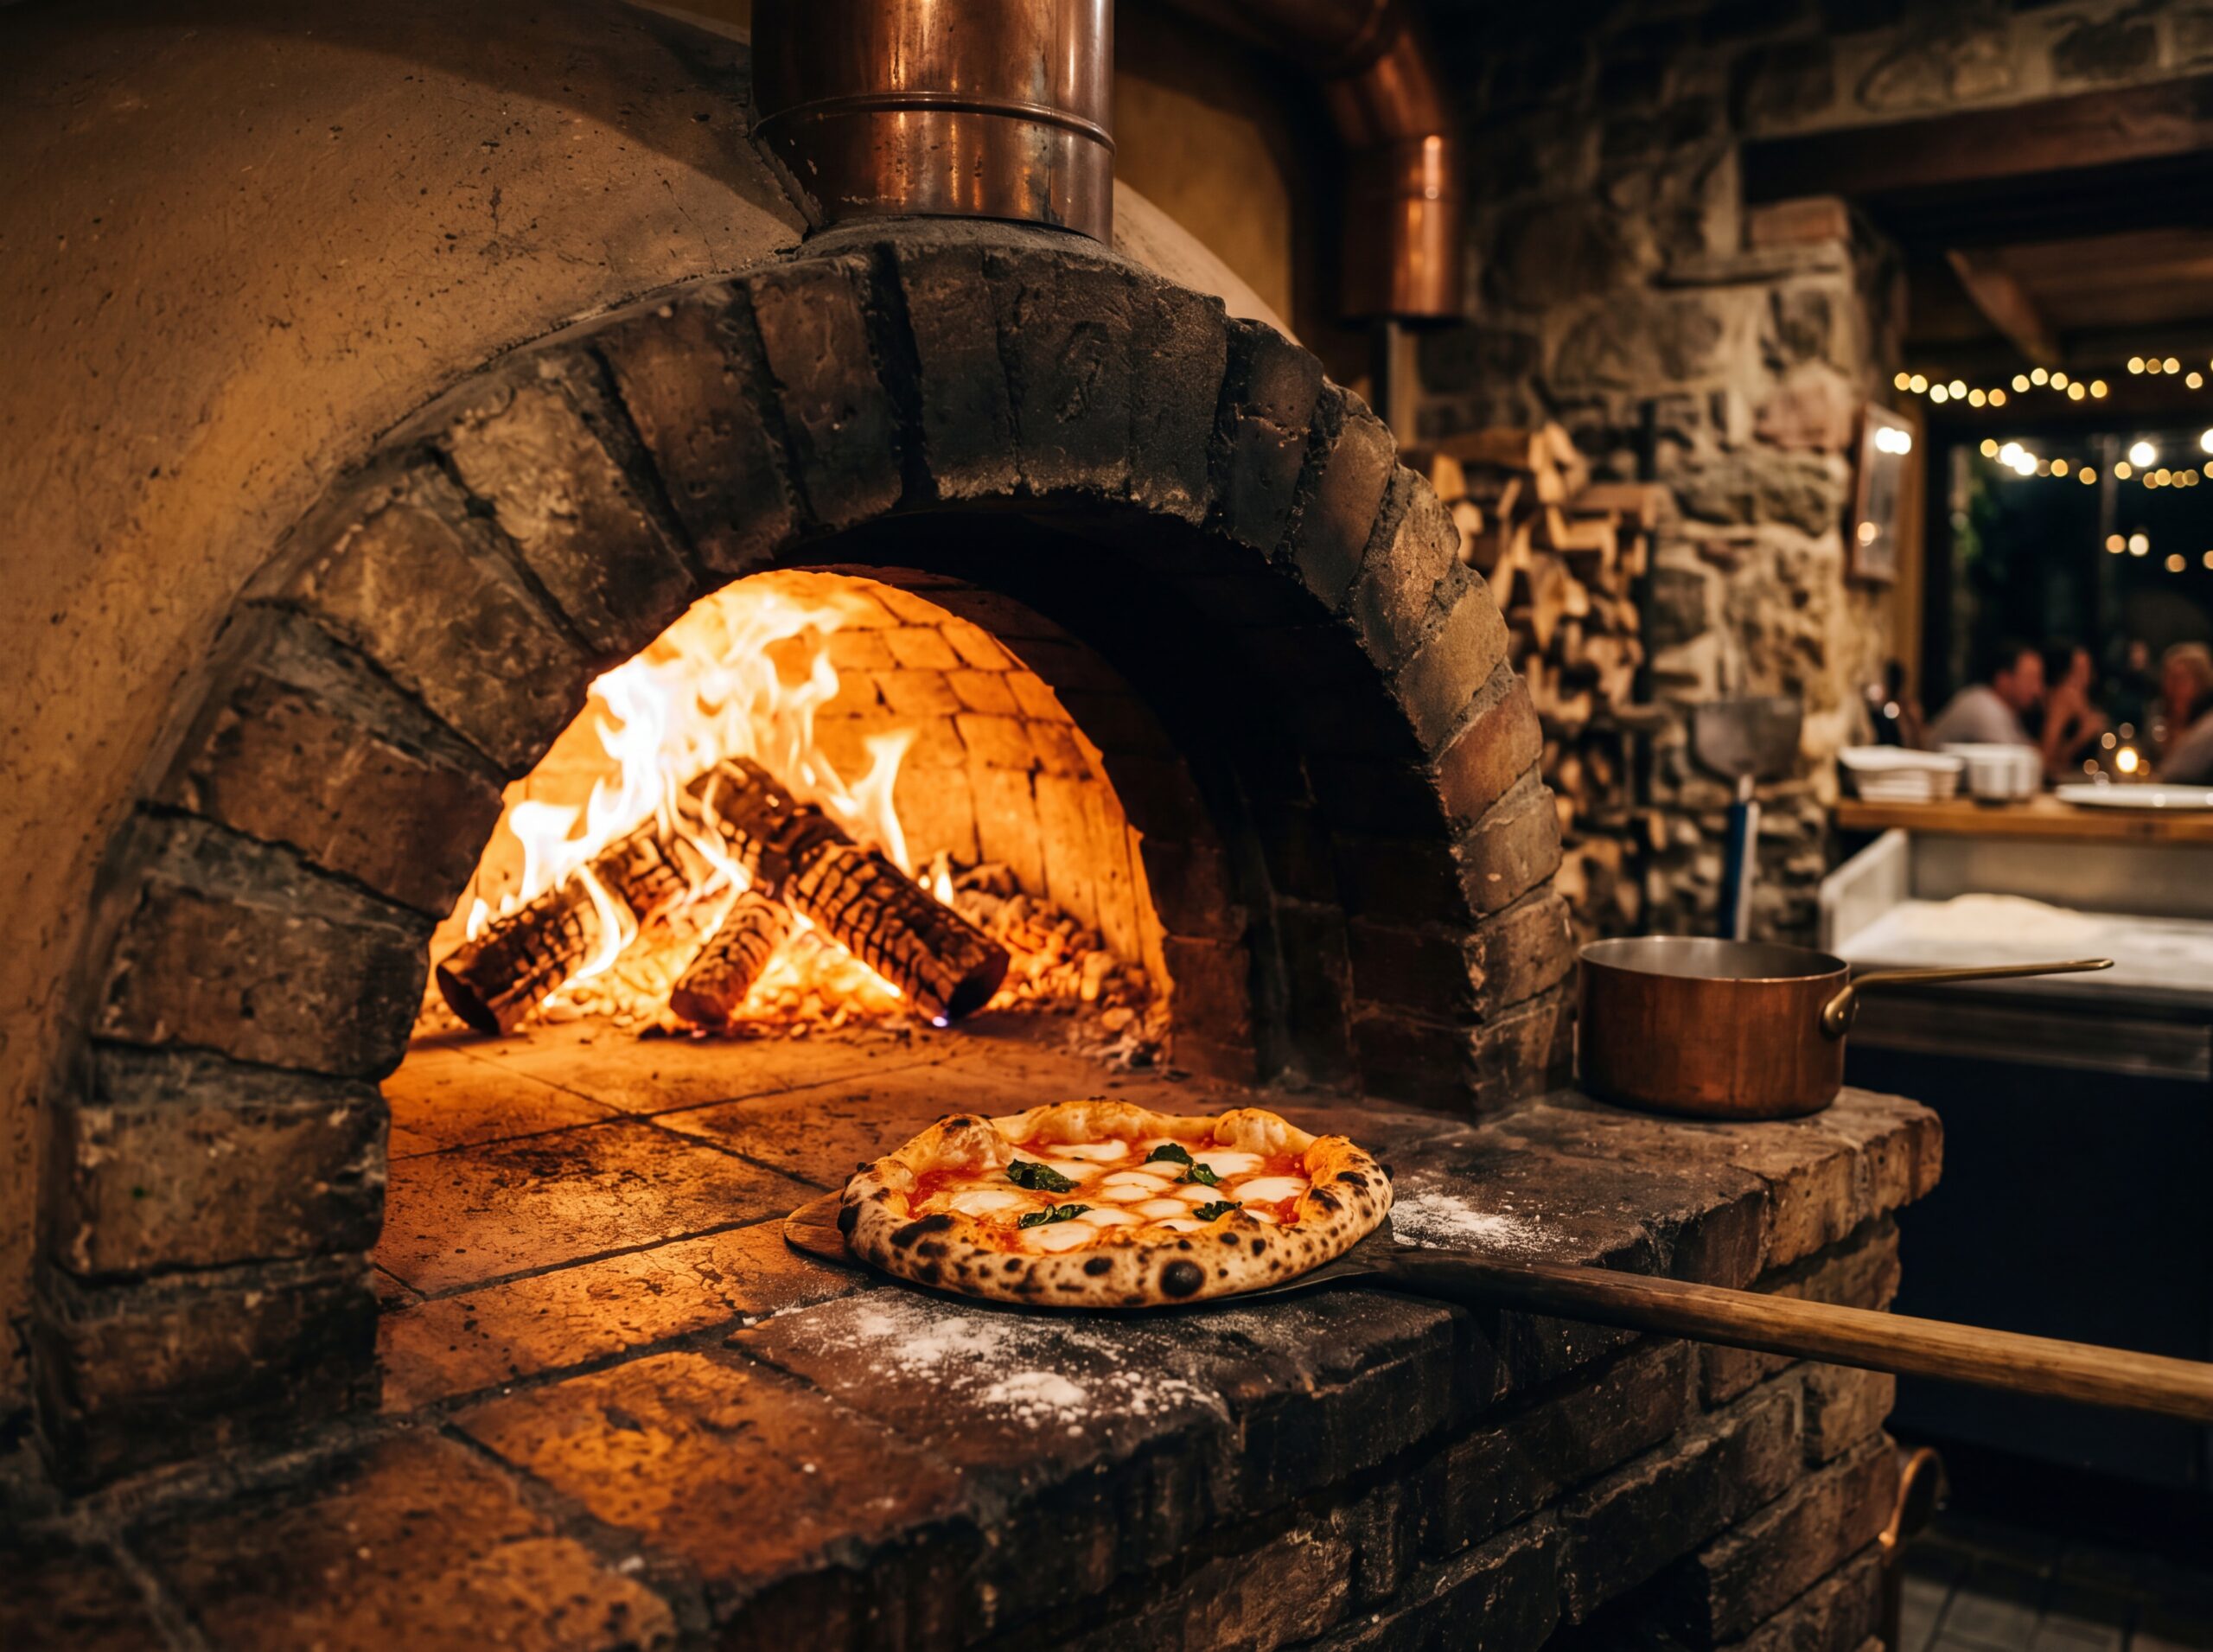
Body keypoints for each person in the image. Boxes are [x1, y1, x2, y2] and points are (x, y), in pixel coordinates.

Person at [1927, 636, 2042, 748]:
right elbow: (2030, 761)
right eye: (2030, 679)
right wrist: (2056, 714)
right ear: (2003, 679)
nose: (2038, 690)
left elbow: (2031, 752)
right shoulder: (1983, 708)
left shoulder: (2006, 711)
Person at [2034, 639, 2107, 775]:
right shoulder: (2040, 709)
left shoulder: (2095, 704)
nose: (2084, 679)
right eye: (2077, 672)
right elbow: (2046, 764)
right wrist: (2081, 737)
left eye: (2087, 670)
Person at [2159, 643, 2213, 783]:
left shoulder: (2208, 727)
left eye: (2180, 678)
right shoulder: (2157, 722)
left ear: (2200, 682)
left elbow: (2172, 773)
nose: (2172, 686)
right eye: (2168, 677)